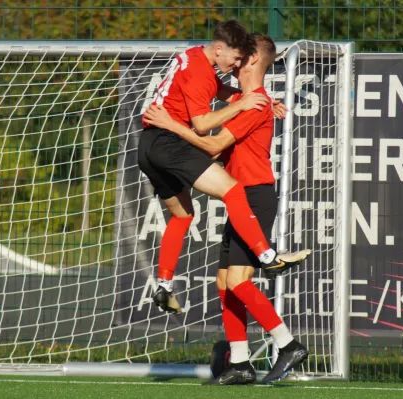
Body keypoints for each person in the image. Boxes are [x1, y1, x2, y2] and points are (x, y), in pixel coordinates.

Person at [143, 34, 309, 385]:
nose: (233, 65)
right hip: (242, 201)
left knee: (237, 281)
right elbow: (219, 146)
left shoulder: (256, 102)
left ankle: (288, 343)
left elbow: (212, 140)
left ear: (249, 61)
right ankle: (240, 361)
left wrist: (172, 125)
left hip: (254, 197)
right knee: (224, 283)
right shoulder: (246, 100)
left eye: (239, 59)